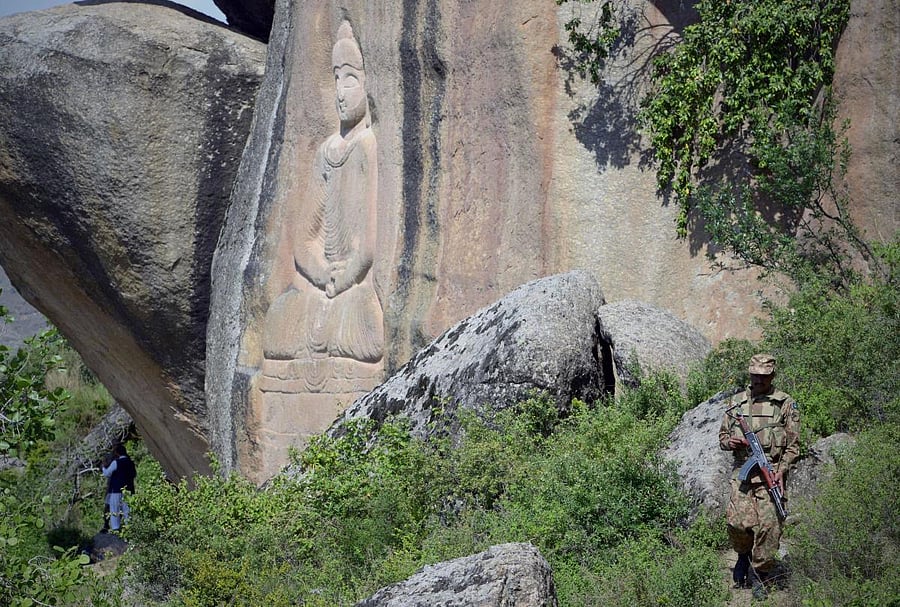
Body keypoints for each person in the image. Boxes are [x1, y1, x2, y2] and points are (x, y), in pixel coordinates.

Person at [719, 353, 800, 599]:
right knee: (736, 524)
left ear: (772, 376)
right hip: (743, 474)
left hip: (771, 473)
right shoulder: (736, 403)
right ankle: (743, 554)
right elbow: (722, 437)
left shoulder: (785, 403)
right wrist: (730, 442)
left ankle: (759, 574)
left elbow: (794, 446)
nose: (758, 380)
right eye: (755, 375)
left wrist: (780, 471)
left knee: (769, 527)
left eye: (763, 377)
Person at [102, 443, 136, 533]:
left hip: (116, 490)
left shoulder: (116, 462)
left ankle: (116, 529)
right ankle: (129, 529)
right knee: (127, 511)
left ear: (117, 453)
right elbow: (134, 474)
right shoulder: (130, 463)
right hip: (128, 490)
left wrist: (103, 467)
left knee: (114, 511)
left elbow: (107, 473)